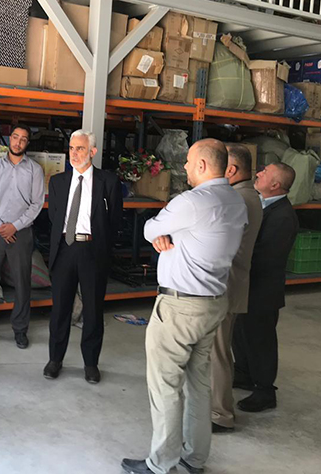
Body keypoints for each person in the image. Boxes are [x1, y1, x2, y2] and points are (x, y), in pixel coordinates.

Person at [122, 138, 248, 474]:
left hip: (180, 307)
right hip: (212, 303)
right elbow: (197, 237)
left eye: (189, 162)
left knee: (165, 386)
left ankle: (160, 463)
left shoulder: (192, 202)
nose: (186, 168)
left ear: (203, 165)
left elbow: (150, 227)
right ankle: (194, 458)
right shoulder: (235, 201)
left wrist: (161, 233)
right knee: (198, 384)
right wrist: (170, 235)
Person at [44, 130, 122, 384]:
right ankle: (55, 359)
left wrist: (101, 246)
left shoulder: (108, 182)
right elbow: (55, 217)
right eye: (71, 148)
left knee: (93, 309)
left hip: (92, 250)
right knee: (60, 309)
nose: (74, 153)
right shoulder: (58, 182)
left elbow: (114, 220)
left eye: (80, 148)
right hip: (65, 249)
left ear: (92, 152)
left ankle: (90, 363)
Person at [233, 162, 298, 413]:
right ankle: (243, 373)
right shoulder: (261, 204)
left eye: (265, 173)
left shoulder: (283, 217)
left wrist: (234, 256)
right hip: (248, 283)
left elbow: (266, 256)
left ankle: (265, 390)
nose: (258, 173)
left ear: (275, 185)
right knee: (241, 332)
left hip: (263, 289)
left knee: (260, 339)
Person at [0, 123, 45, 349]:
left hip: (21, 233)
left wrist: (15, 226)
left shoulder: (35, 170)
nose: (18, 142)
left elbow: (36, 204)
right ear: (9, 139)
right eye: (15, 137)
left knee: (22, 283)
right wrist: (0, 225)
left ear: (27, 143)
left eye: (23, 139)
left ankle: (20, 329)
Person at [211, 144, 263, 433]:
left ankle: (220, 414)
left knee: (216, 352)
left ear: (230, 170)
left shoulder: (238, 199)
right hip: (232, 281)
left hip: (225, 283)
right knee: (219, 350)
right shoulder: (247, 196)